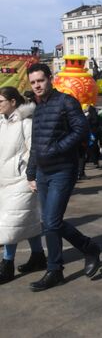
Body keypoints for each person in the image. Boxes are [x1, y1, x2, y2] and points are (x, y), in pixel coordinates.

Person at [25, 64, 100, 291]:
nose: (37, 85)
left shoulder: (67, 102)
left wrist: (57, 148)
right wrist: (31, 172)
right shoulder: (37, 109)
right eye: (33, 82)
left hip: (62, 170)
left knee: (52, 221)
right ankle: (55, 269)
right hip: (42, 172)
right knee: (49, 223)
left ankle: (87, 248)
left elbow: (82, 130)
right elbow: (35, 146)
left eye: (41, 80)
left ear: (51, 79)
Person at [0, 87, 45, 284]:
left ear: (12, 102)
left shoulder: (26, 123)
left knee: (10, 223)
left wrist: (24, 168)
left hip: (22, 180)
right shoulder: (2, 123)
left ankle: (6, 265)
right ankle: (38, 256)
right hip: (4, 180)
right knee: (27, 222)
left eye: (1, 101)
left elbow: (33, 149)